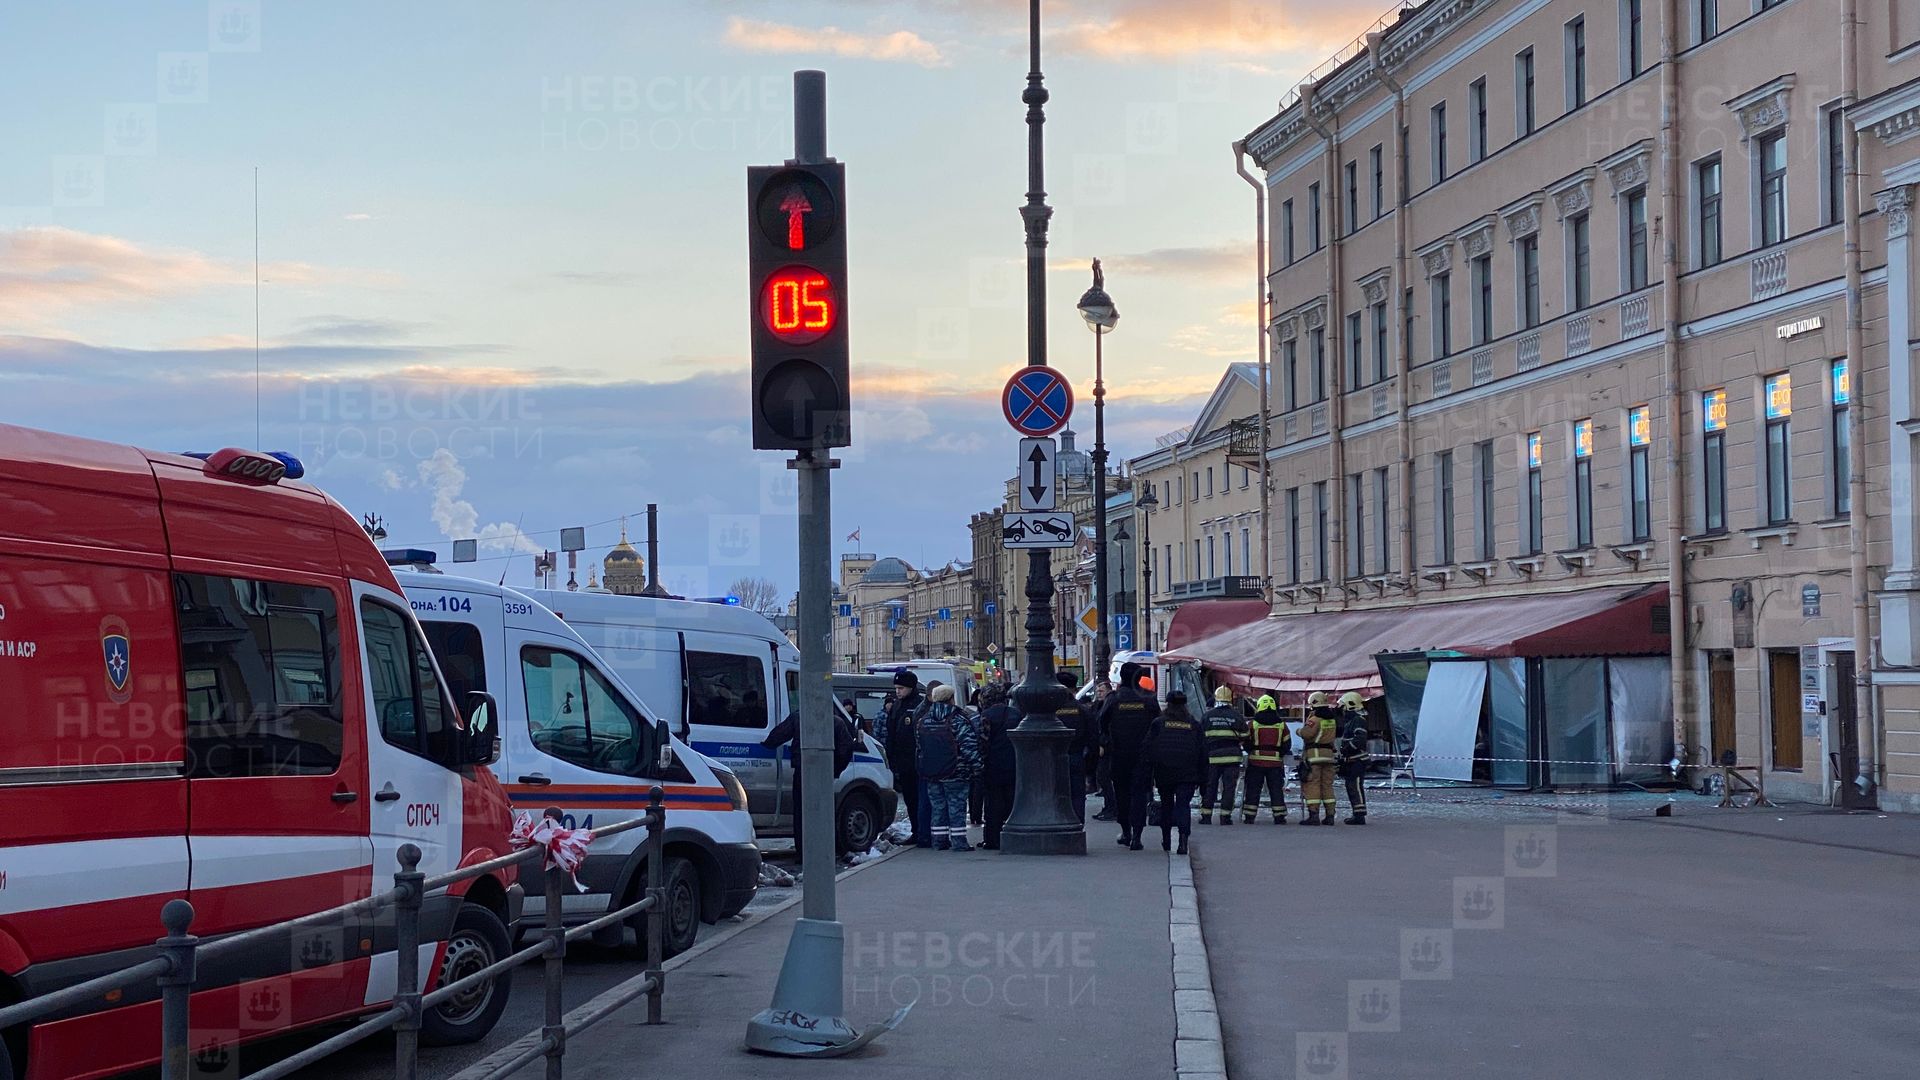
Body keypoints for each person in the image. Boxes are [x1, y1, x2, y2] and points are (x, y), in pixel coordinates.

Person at [762, 703, 860, 860]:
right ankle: (823, 852)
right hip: (824, 774)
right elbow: (846, 747)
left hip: (803, 771)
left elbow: (778, 735)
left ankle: (803, 854)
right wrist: (835, 770)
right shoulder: (836, 722)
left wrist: (765, 744)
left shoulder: (799, 716)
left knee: (801, 813)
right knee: (823, 813)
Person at [1095, 662, 1159, 850]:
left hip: (1119, 754)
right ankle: (1137, 835)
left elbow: (1102, 723)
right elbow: (1157, 725)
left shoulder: (1114, 699)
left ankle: (1126, 831)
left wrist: (1106, 743)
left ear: (1122, 677)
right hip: (1143, 756)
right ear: (1139, 678)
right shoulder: (1149, 699)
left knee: (1122, 794)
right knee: (1140, 794)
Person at [916, 684, 983, 851]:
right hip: (956, 771)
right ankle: (959, 842)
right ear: (951, 699)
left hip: (932, 772)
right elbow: (968, 746)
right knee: (956, 807)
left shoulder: (923, 721)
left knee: (938, 807)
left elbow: (920, 747)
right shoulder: (958, 720)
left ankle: (939, 841)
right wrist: (977, 766)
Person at [1145, 690, 1207, 853]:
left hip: (1164, 771)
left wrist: (1150, 772)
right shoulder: (1194, 724)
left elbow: (1148, 748)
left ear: (1168, 704)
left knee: (1166, 806)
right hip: (1187, 772)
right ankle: (1183, 841)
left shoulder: (1158, 723)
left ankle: (1166, 840)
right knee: (1183, 806)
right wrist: (1203, 780)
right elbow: (1202, 753)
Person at [877, 671, 928, 846]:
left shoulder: (919, 705)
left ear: (911, 688)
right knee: (910, 799)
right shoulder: (898, 705)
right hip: (902, 761)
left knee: (920, 798)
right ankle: (917, 831)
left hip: (917, 760)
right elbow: (891, 733)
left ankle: (923, 832)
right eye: (896, 688)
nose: (897, 691)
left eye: (901, 688)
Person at [977, 684, 1019, 848]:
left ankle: (993, 839)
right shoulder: (1016, 714)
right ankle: (1011, 836)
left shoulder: (986, 716)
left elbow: (982, 742)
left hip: (993, 766)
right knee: (1011, 802)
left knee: (993, 805)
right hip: (1014, 764)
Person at [1053, 671, 1097, 823]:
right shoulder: (1082, 710)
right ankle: (1077, 824)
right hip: (1077, 756)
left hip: (1053, 758)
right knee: (1077, 794)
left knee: (1055, 793)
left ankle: (1058, 823)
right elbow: (1092, 737)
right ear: (1074, 688)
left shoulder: (1050, 710)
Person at [1199, 686, 1246, 825]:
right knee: (1229, 787)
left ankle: (1206, 816)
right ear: (1230, 699)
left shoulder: (1207, 716)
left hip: (1212, 758)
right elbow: (1245, 735)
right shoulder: (1237, 716)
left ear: (1216, 698)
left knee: (1210, 786)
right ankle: (1225, 817)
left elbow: (1200, 737)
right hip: (1232, 758)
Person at [1241, 694, 1292, 824]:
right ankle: (1279, 816)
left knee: (1253, 789)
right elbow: (1287, 744)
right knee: (1276, 790)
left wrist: (1251, 750)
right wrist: (1279, 754)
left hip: (1256, 762)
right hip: (1275, 764)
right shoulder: (1281, 725)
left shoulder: (1253, 724)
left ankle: (1249, 816)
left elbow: (1246, 742)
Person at [1299, 691, 1342, 826]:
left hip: (1315, 757)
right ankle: (1330, 815)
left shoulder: (1314, 720)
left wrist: (1298, 731)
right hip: (1329, 756)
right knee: (1327, 785)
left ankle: (1314, 815)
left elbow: (1307, 734)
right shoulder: (1331, 720)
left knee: (1313, 784)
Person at [1337, 690, 1372, 825]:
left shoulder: (1358, 720)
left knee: (1355, 786)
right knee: (1352, 786)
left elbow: (1359, 739)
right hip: (1352, 760)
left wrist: (1347, 749)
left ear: (1350, 705)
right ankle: (1357, 813)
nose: (1342, 711)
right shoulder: (1352, 721)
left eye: (1343, 707)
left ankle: (1359, 815)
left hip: (1357, 760)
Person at [1090, 680, 1117, 822]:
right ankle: (1109, 806)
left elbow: (1106, 726)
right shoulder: (1102, 704)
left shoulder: (1109, 703)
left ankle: (1111, 807)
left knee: (1104, 776)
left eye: (1101, 691)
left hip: (1106, 748)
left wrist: (1102, 744)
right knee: (1102, 777)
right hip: (1105, 746)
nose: (1098, 694)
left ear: (1107, 690)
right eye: (1097, 692)